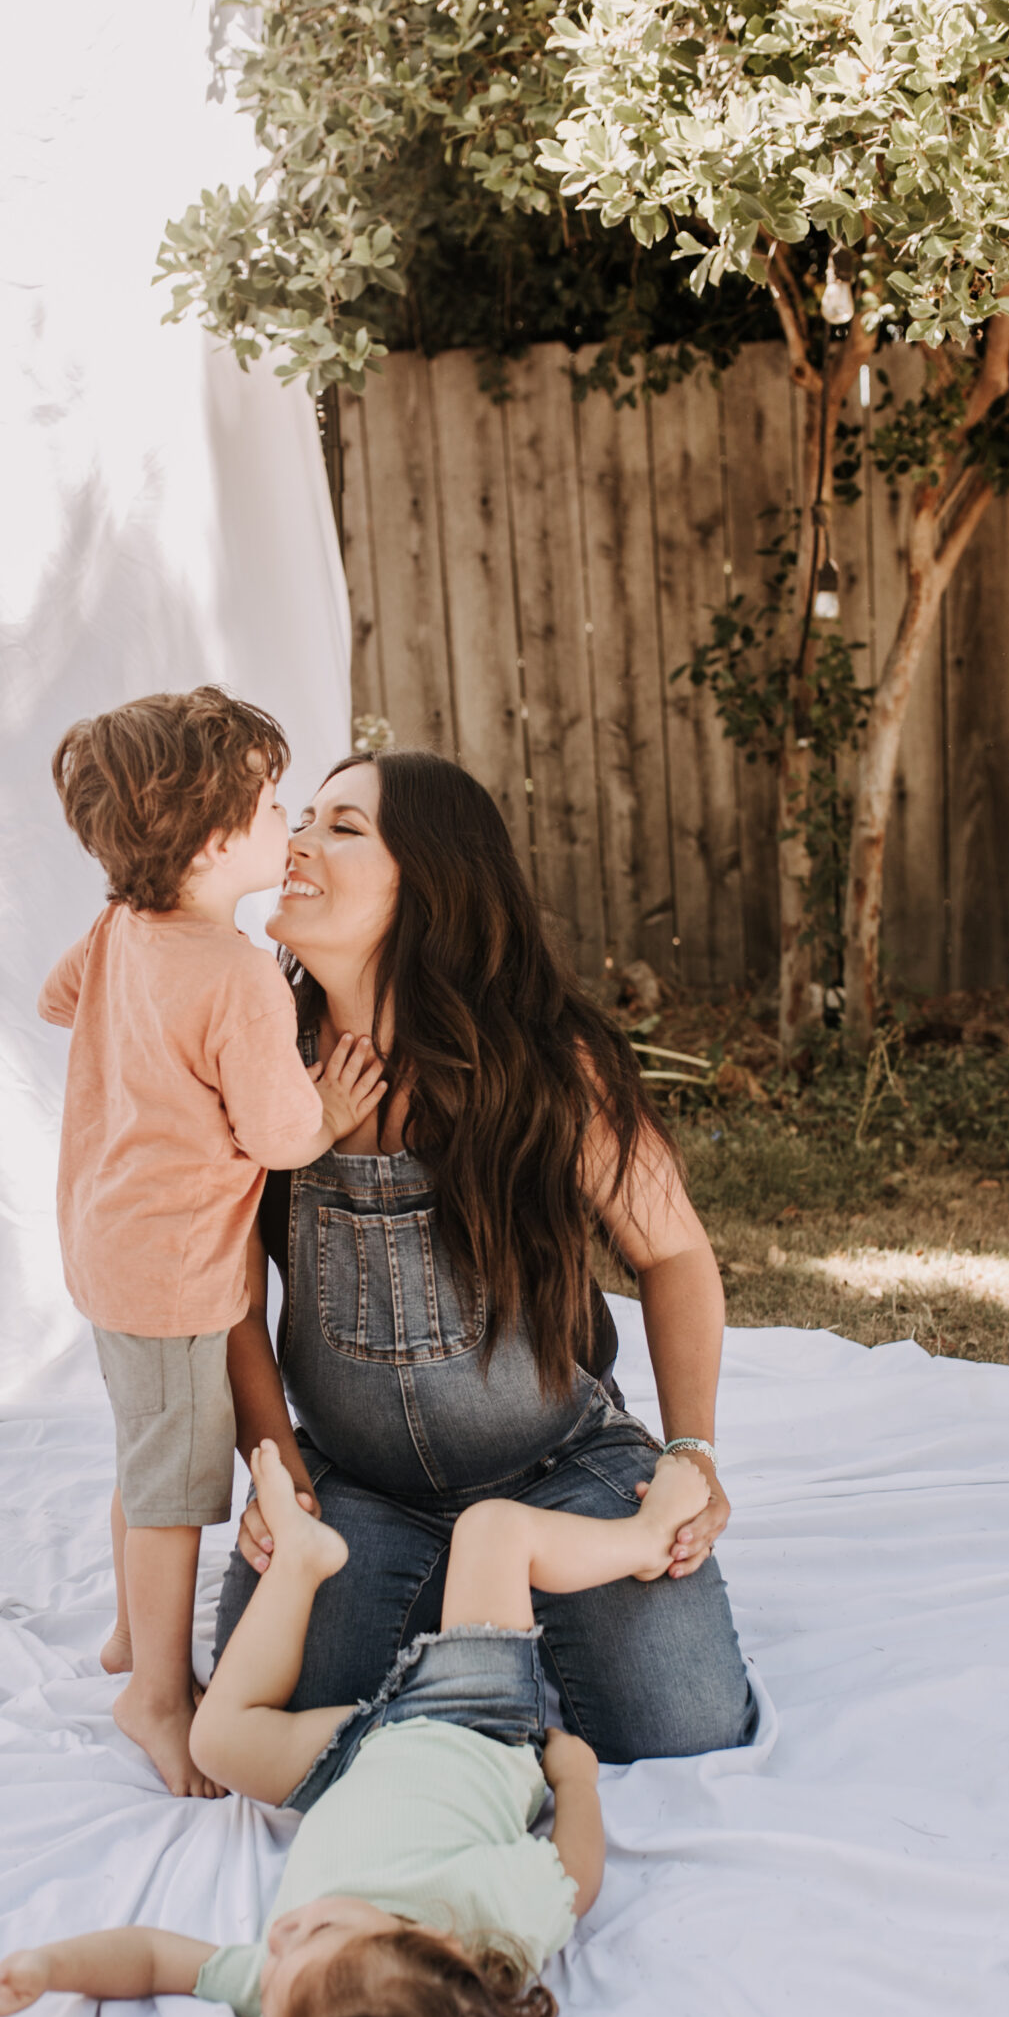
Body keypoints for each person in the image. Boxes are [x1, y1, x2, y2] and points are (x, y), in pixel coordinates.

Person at [0, 1440, 709, 2017]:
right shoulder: (486, 1921)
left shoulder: (296, 1999)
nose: (280, 1935)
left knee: (215, 1740)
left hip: (355, 1758)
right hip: (469, 1721)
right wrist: (574, 1781)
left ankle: (302, 1560)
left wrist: (47, 1968)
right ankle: (643, 1540)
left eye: (277, 1965)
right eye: (315, 1929)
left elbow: (155, 1959)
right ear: (429, 1942)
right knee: (491, 1531)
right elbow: (574, 1878)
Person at [218, 749, 756, 1764]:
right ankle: (468, 1626)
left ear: (428, 880)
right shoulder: (262, 1066)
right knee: (287, 1716)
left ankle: (497, 1608)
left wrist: (693, 1451)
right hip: (356, 1485)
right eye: (306, 819)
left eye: (343, 827)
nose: (297, 842)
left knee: (684, 1725)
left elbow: (675, 1252)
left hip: (555, 1469)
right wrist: (276, 1468)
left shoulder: (547, 1061)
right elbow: (234, 1307)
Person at [40, 688, 385, 1798]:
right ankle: (155, 1690)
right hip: (178, 1276)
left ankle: (127, 1633)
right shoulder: (236, 975)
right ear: (204, 838)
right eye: (270, 805)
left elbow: (57, 1001)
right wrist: (329, 1109)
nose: (287, 824)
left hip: (102, 1246)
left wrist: (136, 1040)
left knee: (146, 1450)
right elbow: (283, 1138)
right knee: (178, 1487)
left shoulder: (118, 927)